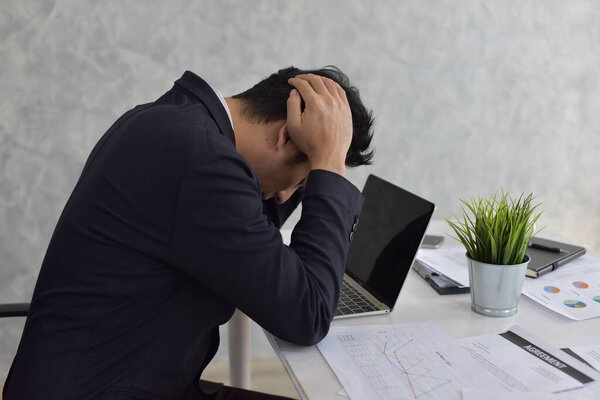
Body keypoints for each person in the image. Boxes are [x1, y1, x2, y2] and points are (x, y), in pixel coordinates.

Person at [3, 66, 375, 400]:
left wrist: (319, 160)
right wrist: (327, 164)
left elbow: (250, 232)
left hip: (109, 377)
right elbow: (306, 315)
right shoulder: (203, 163)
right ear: (285, 135)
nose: (286, 196)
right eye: (300, 183)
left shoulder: (174, 123)